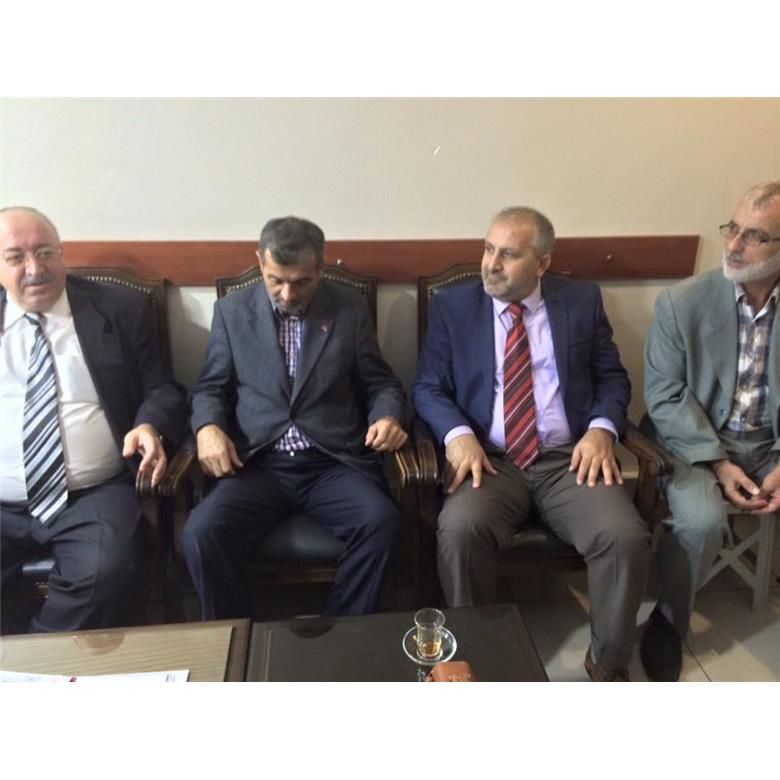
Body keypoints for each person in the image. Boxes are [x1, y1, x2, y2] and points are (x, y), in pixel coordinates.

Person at [412, 206, 651, 681]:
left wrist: (602, 429)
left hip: (568, 460)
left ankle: (608, 664)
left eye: (508, 254)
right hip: (490, 460)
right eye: (487, 249)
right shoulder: (453, 307)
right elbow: (427, 387)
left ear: (542, 263)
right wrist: (459, 437)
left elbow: (612, 378)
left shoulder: (580, 301)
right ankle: (473, 657)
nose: (490, 264)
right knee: (460, 531)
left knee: (624, 537)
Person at [182, 215, 408, 619]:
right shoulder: (232, 312)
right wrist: (208, 428)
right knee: (201, 533)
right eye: (276, 280)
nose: (287, 294)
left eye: (301, 282)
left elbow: (381, 383)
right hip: (258, 464)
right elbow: (211, 387)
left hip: (330, 463)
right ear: (259, 262)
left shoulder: (349, 308)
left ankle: (344, 632)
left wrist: (387, 416)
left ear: (320, 268)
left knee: (382, 522)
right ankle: (237, 634)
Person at [0, 206, 188, 633]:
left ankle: (34, 661)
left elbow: (164, 389)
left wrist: (150, 426)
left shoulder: (120, 309)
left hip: (93, 493)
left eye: (45, 252)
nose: (35, 268)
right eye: (15, 257)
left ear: (61, 253)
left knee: (105, 574)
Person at [642, 180, 780, 681]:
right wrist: (719, 463)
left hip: (770, 444)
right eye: (732, 229)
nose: (734, 245)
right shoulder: (682, 302)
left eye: (754, 236)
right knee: (701, 521)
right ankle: (667, 620)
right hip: (696, 443)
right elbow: (664, 396)